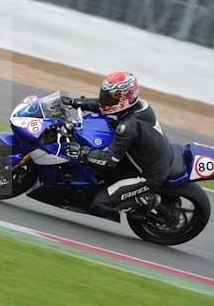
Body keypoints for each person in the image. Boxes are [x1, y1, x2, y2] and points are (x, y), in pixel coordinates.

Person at [62, 71, 172, 218]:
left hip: (148, 175)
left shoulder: (127, 127)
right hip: (149, 156)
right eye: (105, 94)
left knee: (98, 205)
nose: (105, 99)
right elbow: (103, 106)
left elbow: (109, 161)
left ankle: (146, 201)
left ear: (124, 99)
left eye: (110, 97)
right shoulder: (140, 105)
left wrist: (82, 152)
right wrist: (77, 103)